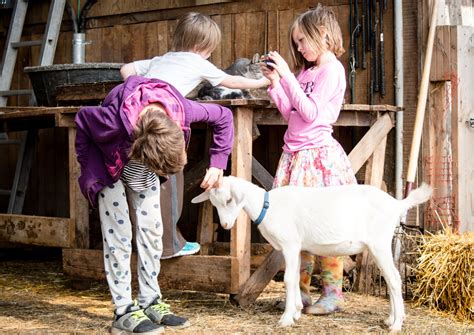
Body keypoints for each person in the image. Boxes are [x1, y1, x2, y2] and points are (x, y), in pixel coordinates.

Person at [75, 75, 234, 334]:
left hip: (145, 169)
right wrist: (88, 170)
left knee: (152, 231)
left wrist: (218, 163)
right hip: (109, 167)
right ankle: (123, 310)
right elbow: (83, 118)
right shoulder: (112, 119)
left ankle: (150, 301)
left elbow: (224, 116)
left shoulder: (182, 110)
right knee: (120, 236)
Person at [120, 12, 270, 259]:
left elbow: (126, 69)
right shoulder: (197, 62)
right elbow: (232, 81)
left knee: (140, 185)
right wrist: (263, 82)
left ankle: (147, 243)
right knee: (170, 186)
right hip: (167, 129)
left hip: (141, 122)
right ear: (201, 47)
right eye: (210, 50)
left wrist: (140, 87)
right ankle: (168, 247)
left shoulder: (162, 59)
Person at [259, 4, 356, 315]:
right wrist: (277, 83)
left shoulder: (332, 70)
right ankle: (298, 293)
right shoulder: (307, 71)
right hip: (295, 155)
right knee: (294, 227)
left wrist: (288, 76)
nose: (298, 47)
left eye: (302, 41)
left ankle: (332, 293)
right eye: (297, 42)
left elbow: (312, 113)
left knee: (324, 226)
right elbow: (292, 111)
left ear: (323, 36)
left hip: (317, 157)